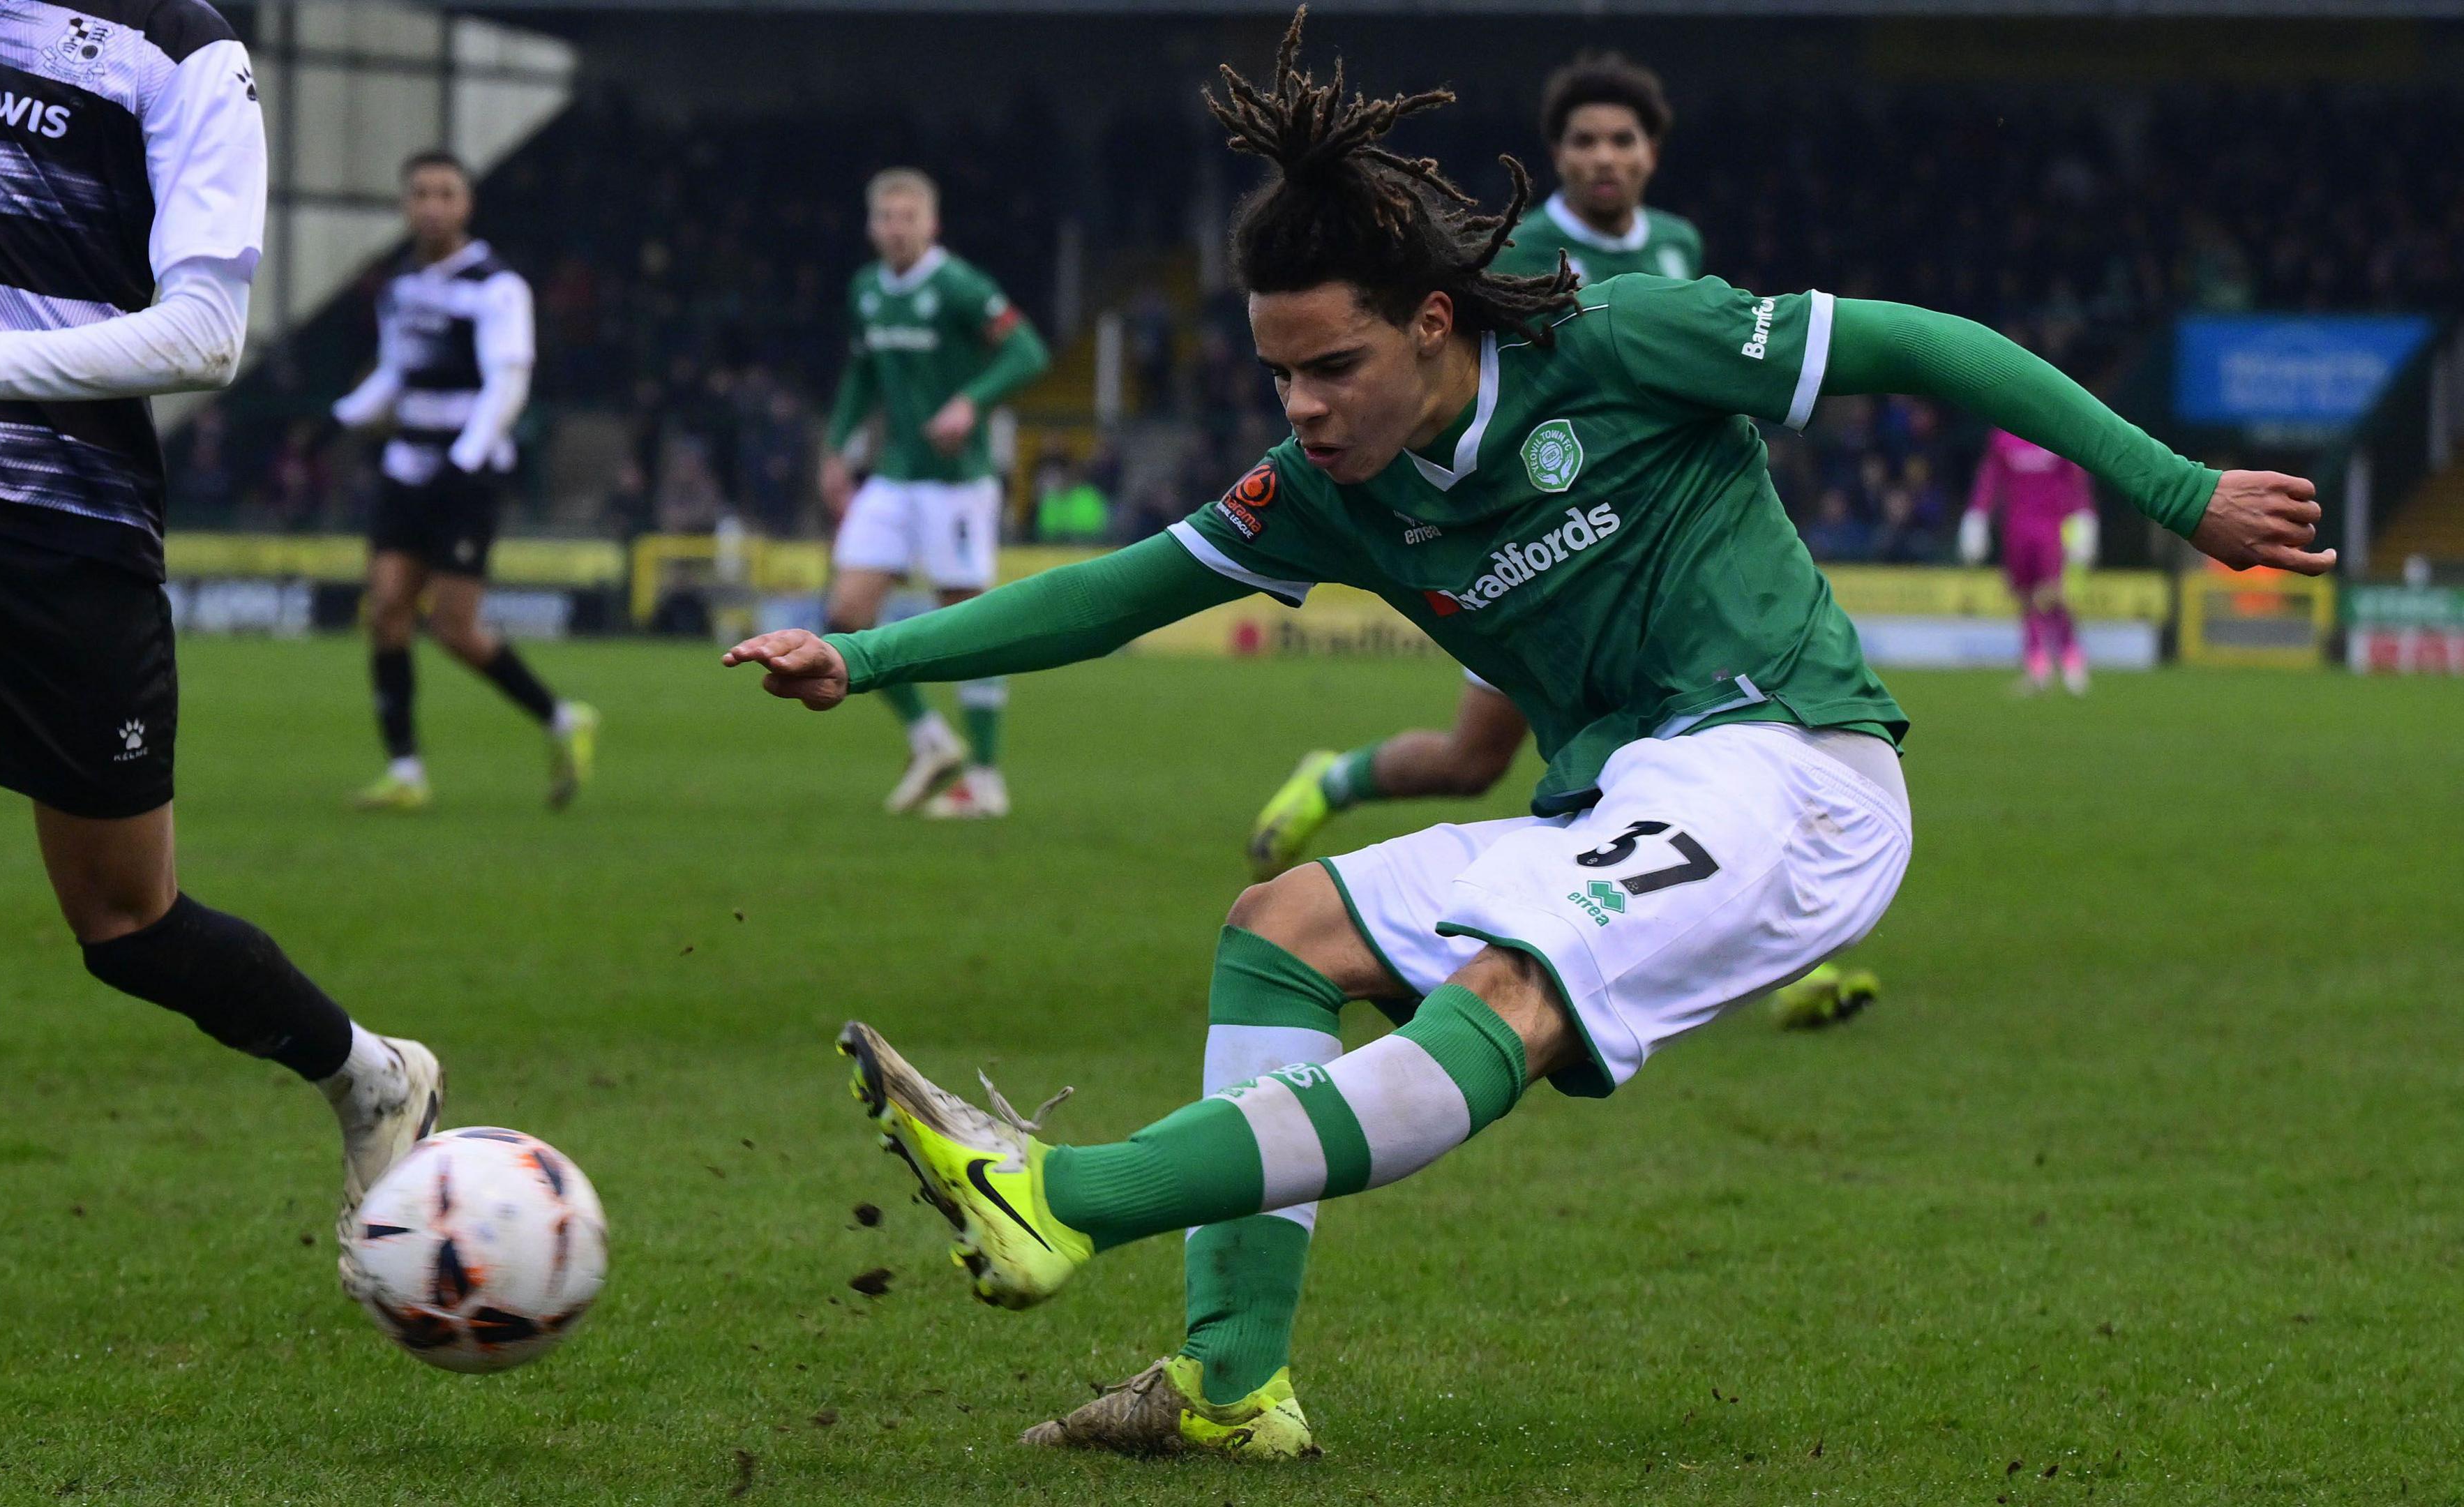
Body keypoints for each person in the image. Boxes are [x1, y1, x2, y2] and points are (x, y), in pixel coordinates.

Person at [724, 11, 2331, 1461]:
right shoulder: (1334, 494)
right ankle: (1227, 1382)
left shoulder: (1620, 340)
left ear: (1431, 322)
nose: (1300, 406)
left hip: (1793, 768)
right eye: (1275, 372)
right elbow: (1114, 588)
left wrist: (2179, 492)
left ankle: (1060, 1195)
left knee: (1512, 991)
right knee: (1278, 930)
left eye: (1332, 364)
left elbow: (1920, 343)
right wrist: (860, 654)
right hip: (1621, 790)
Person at [0, 0, 443, 1289]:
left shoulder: (184, 47)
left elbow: (205, 332)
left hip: (61, 523)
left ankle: (372, 1077)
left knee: (127, 922)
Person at [1247, 50, 1701, 883]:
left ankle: (1781, 957)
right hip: (1531, 531)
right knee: (1472, 761)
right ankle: (1332, 778)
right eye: (1584, 140)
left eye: (1622, 139)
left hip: (1649, 525)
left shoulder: (1676, 244)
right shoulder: (1519, 244)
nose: (1604, 155)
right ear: (1557, 155)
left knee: (1683, 723)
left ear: (1652, 153)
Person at [333, 151, 596, 812]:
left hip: (466, 474)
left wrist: (466, 457)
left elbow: (508, 382)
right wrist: (343, 414)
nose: (431, 206)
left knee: (454, 627)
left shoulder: (497, 285)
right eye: (420, 193)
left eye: (444, 193)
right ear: (405, 203)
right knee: (388, 609)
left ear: (466, 204)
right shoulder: (399, 286)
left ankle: (562, 718)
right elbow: (396, 373)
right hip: (407, 465)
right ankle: (406, 772)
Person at [817, 167, 1050, 819]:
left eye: (907, 218)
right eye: (885, 218)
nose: (895, 229)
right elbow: (861, 375)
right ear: (872, 226)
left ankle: (984, 777)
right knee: (846, 614)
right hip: (892, 476)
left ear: (932, 224)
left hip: (956, 483)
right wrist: (837, 446)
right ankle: (930, 738)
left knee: (967, 622)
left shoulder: (957, 286)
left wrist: (969, 403)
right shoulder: (866, 291)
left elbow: (1029, 351)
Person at [1962, 427, 2098, 693]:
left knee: (2051, 594)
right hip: (2015, 529)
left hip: (2052, 528)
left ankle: (2071, 658)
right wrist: (1977, 516)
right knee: (2025, 597)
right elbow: (1990, 479)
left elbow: (2075, 481)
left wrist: (2084, 518)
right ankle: (2037, 665)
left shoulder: (2056, 434)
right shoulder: (2003, 439)